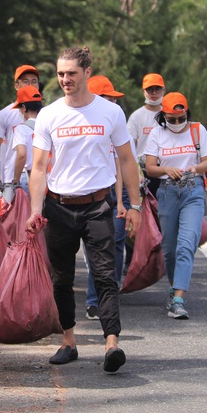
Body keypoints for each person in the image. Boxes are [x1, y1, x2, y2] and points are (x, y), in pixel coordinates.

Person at [25, 46, 142, 374]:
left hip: (98, 206)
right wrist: (35, 211)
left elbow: (128, 160)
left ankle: (111, 343)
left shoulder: (110, 113)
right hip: (58, 207)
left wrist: (134, 205)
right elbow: (37, 167)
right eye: (61, 74)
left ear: (87, 72)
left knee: (105, 274)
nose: (65, 79)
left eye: (71, 74)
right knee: (61, 278)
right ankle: (69, 341)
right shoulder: (49, 114)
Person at [143, 92, 207, 320]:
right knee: (170, 249)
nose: (176, 123)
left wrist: (194, 169)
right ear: (163, 116)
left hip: (193, 190)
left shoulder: (197, 130)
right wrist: (166, 170)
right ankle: (174, 288)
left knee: (186, 245)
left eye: (180, 118)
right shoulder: (157, 134)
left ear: (186, 113)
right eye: (171, 119)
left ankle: (179, 300)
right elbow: (150, 168)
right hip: (167, 192)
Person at [83, 75, 131, 320]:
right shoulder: (84, 122)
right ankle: (94, 299)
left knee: (117, 243)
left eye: (114, 98)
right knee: (98, 247)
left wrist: (124, 201)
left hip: (116, 189)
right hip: (93, 191)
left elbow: (123, 163)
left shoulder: (115, 120)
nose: (114, 101)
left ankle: (111, 290)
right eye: (109, 97)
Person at [0, 65, 41, 202]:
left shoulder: (48, 114)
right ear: (16, 85)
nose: (30, 84)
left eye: (34, 81)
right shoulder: (5, 114)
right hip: (11, 180)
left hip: (42, 178)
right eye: (25, 81)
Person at [10, 85, 43, 197]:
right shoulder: (47, 126)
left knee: (28, 213)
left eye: (19, 108)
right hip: (48, 177)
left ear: (23, 108)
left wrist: (15, 179)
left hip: (29, 177)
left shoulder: (21, 129)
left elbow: (22, 155)